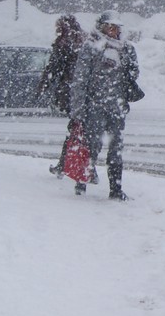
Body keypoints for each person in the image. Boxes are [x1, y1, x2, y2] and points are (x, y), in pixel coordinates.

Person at [68, 11, 141, 200]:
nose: (114, 31)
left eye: (117, 27)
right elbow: (80, 79)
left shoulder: (126, 48)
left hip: (117, 106)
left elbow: (133, 73)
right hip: (95, 106)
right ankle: (81, 183)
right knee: (93, 145)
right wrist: (78, 110)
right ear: (102, 27)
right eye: (110, 26)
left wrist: (128, 65)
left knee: (116, 148)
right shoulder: (91, 47)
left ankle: (116, 189)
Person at [37, 14, 85, 176]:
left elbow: (54, 67)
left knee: (75, 129)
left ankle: (69, 165)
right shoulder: (84, 41)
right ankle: (70, 165)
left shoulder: (64, 44)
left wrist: (44, 85)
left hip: (72, 91)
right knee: (79, 129)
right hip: (84, 91)